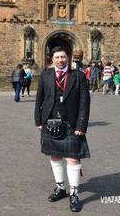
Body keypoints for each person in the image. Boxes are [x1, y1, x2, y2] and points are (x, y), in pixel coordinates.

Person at [34, 46, 90, 213]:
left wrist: (81, 125)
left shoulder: (78, 76)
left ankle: (74, 194)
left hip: (71, 123)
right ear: (52, 59)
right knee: (55, 156)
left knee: (73, 159)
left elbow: (84, 103)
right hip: (50, 121)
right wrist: (38, 120)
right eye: (57, 57)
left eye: (63, 57)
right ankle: (60, 187)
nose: (60, 60)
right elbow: (39, 99)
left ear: (68, 58)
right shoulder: (45, 75)